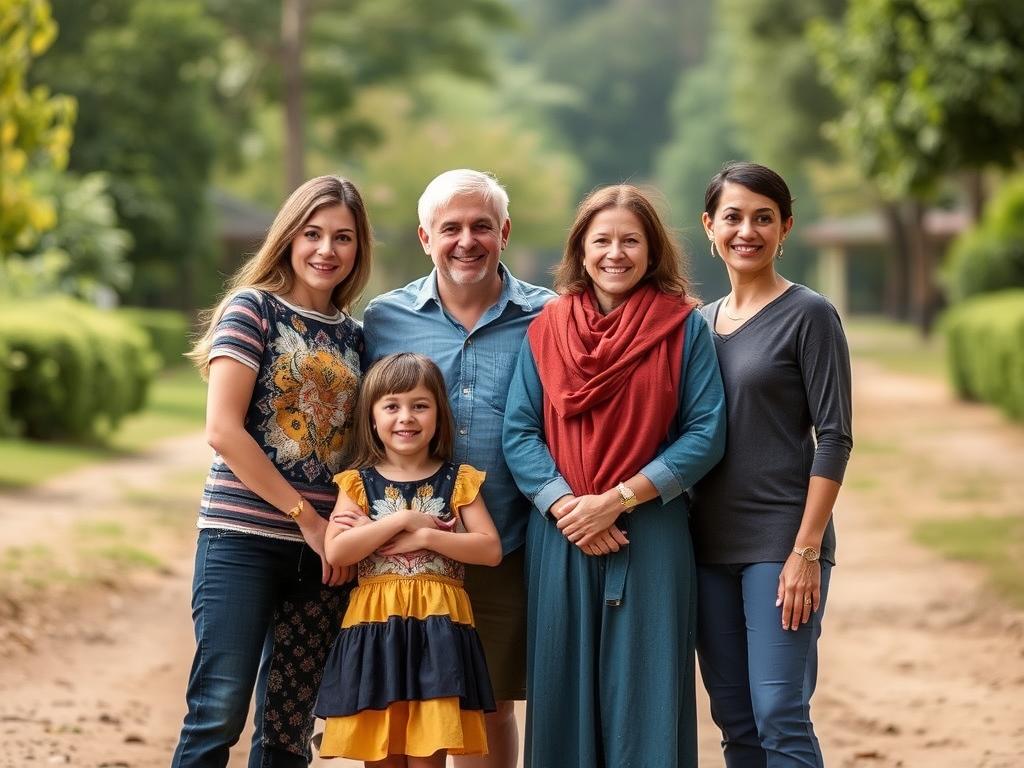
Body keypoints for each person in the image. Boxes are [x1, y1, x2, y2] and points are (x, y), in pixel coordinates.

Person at [502, 184, 727, 767]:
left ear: (652, 251)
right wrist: (567, 506)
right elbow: (520, 432)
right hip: (564, 534)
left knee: (645, 698)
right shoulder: (546, 328)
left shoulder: (683, 328)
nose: (616, 253)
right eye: (602, 240)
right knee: (562, 696)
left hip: (648, 532)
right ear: (580, 249)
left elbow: (705, 433)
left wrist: (618, 500)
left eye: (631, 240)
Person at [171, 175, 372, 768]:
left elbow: (359, 450)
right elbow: (223, 432)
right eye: (312, 233)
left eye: (343, 237)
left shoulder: (358, 339)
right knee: (219, 710)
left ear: (359, 249)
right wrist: (307, 518)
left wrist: (340, 530)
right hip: (242, 543)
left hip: (324, 557)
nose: (326, 250)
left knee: (288, 730)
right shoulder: (251, 309)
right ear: (288, 237)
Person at [362, 169, 554, 768]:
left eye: (481, 226)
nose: (466, 241)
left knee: (490, 706)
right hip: (398, 550)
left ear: (504, 231)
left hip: (504, 540)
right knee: (407, 708)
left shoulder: (549, 317)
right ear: (425, 238)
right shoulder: (384, 320)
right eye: (451, 228)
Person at [692, 161, 853, 767]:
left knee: (780, 713)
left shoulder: (810, 315)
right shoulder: (698, 325)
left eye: (764, 218)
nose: (747, 231)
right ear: (710, 226)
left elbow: (835, 437)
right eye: (733, 217)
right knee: (735, 720)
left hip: (781, 545)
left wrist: (805, 551)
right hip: (706, 549)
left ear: (786, 228)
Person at [314, 352, 502, 766]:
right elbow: (338, 550)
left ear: (438, 414)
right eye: (392, 406)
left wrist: (425, 535)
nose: (406, 418)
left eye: (420, 405)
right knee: (380, 752)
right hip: (376, 631)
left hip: (439, 633)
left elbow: (489, 549)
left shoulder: (458, 479)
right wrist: (401, 518)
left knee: (426, 753)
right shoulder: (358, 483)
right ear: (372, 417)